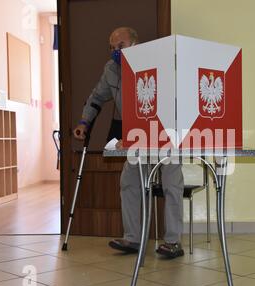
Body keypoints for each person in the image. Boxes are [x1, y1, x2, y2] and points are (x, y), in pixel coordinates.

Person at [73, 27, 185, 258]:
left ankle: (173, 242)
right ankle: (133, 239)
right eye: (112, 48)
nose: (115, 51)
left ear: (136, 43)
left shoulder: (157, 61)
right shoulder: (111, 69)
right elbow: (96, 97)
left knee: (172, 183)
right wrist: (84, 122)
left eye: (120, 46)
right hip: (137, 137)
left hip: (167, 133)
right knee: (129, 181)